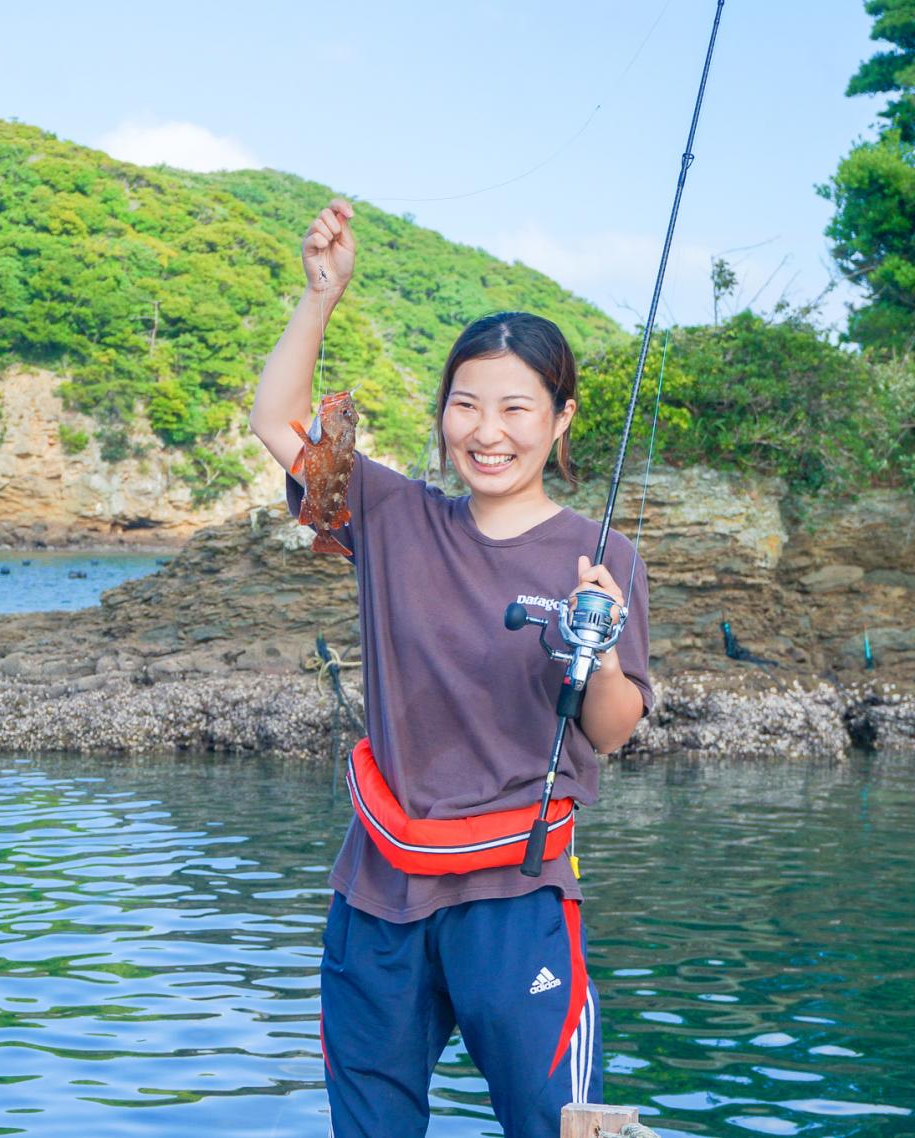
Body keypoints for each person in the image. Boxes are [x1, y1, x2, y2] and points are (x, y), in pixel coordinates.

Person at [249, 199, 652, 1138]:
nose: (488, 430)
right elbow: (276, 419)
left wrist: (590, 647)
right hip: (377, 895)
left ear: (561, 422)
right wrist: (319, 296)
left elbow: (611, 729)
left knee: (557, 1126)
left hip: (516, 902)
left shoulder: (601, 557)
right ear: (441, 415)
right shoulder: (392, 517)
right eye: (465, 404)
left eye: (517, 407)